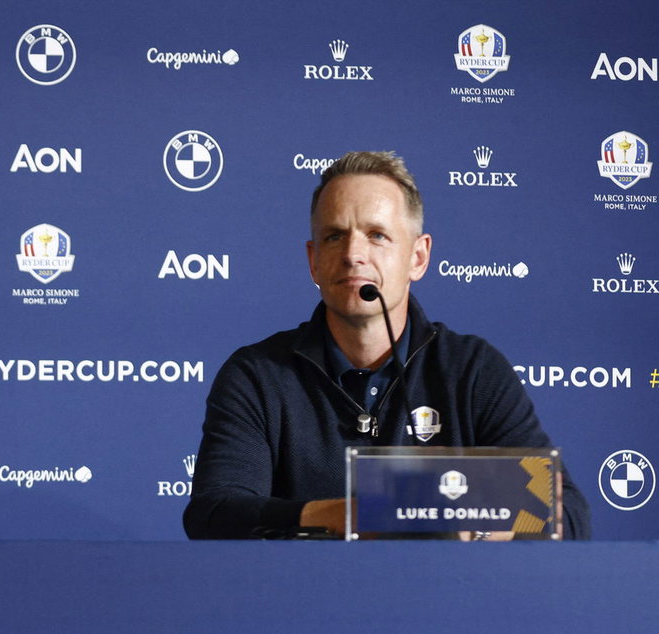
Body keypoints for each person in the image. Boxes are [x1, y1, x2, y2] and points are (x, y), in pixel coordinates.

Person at [184, 150, 589, 540]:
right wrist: (346, 517)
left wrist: (474, 524)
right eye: (334, 236)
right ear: (313, 260)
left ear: (418, 257)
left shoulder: (472, 369)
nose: (352, 254)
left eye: (377, 235)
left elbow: (566, 516)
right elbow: (214, 513)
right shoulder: (258, 374)